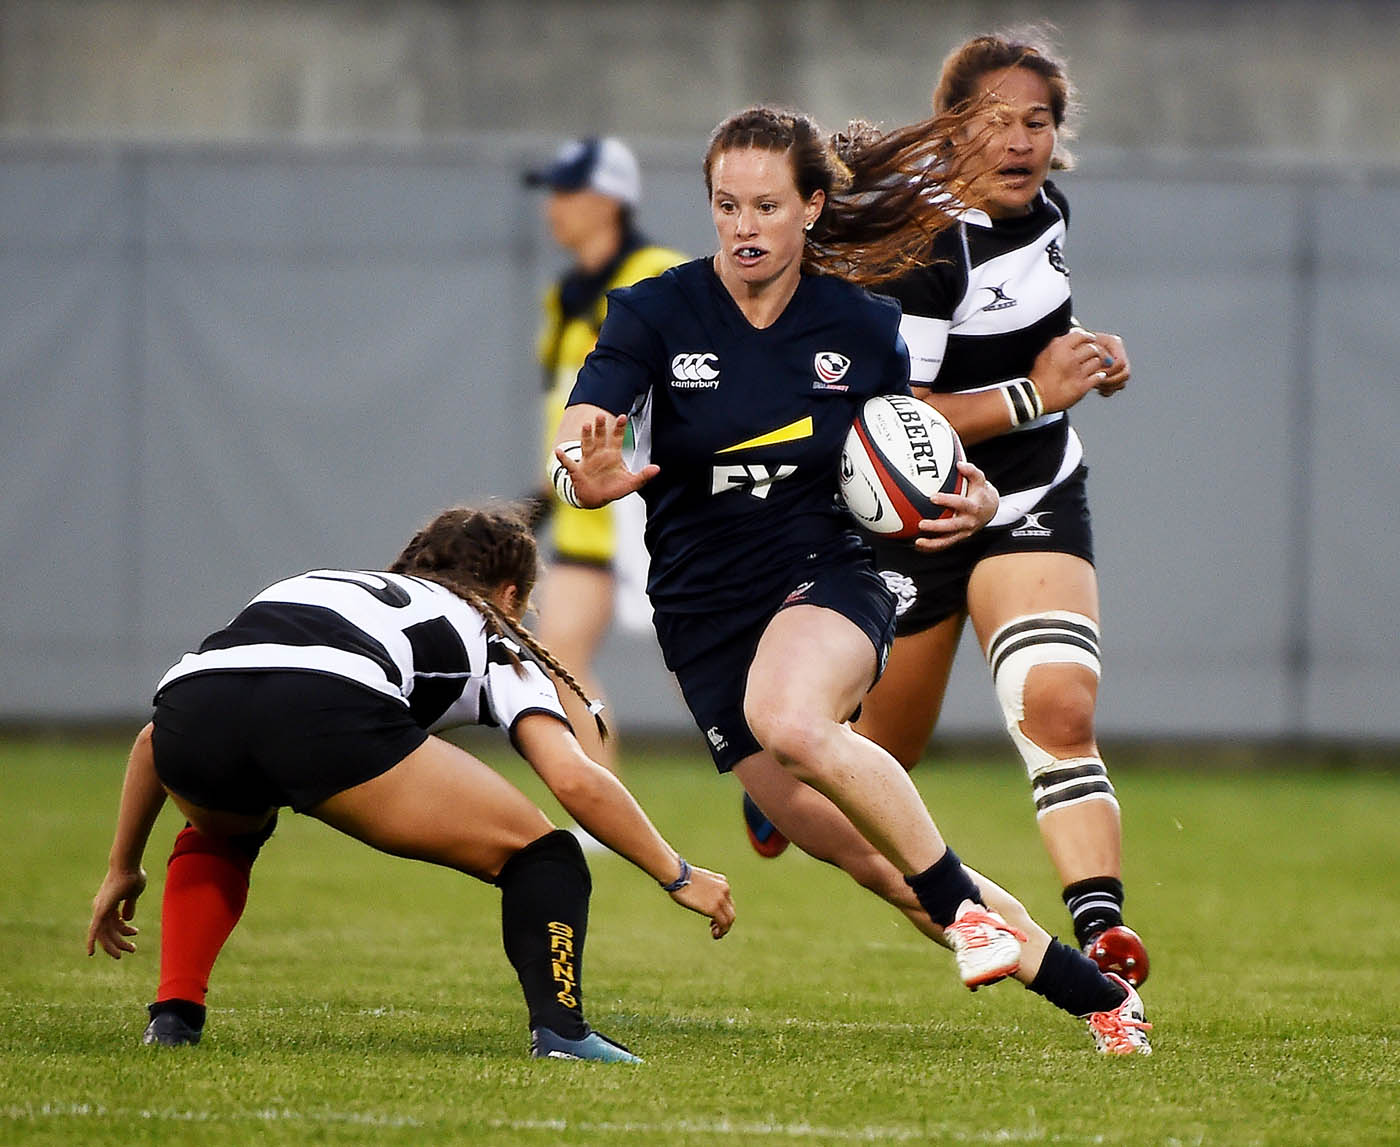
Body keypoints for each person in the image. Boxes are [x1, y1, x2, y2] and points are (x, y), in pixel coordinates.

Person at [551, 105, 1150, 1053]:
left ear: (813, 207)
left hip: (824, 574)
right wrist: (575, 468)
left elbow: (912, 442)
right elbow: (588, 419)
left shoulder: (861, 325)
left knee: (792, 718)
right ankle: (1103, 1001)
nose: (744, 227)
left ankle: (971, 909)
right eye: (725, 206)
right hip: (702, 614)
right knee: (880, 863)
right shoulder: (653, 310)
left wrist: (971, 495)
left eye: (766, 206)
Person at [86, 502, 735, 1062]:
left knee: (223, 828)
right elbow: (575, 779)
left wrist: (124, 865)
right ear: (509, 593)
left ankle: (173, 1017)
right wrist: (678, 873)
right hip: (325, 712)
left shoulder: (316, 583)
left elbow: (152, 738)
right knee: (545, 854)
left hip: (188, 716)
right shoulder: (493, 631)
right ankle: (562, 1031)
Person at [833, 30, 1148, 985]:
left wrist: (1087, 352)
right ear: (950, 132)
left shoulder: (1045, 206)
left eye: (1038, 122)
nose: (1020, 142)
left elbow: (1029, 323)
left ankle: (1101, 931)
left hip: (1032, 492)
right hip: (919, 513)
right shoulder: (918, 244)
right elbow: (900, 419)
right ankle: (799, 768)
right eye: (994, 123)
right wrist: (1038, 392)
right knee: (885, 751)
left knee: (1058, 705)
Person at [523, 137, 687, 777]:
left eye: (568, 192)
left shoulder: (655, 271)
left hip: (648, 500)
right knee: (555, 652)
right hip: (585, 508)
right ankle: (600, 814)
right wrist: (542, 492)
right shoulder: (564, 295)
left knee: (694, 659)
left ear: (609, 199)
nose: (553, 208)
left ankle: (785, 773)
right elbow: (567, 408)